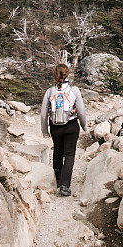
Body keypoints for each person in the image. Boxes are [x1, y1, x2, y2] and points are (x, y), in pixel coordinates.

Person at [40, 62, 87, 196]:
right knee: (69, 155)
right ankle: (65, 186)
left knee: (57, 152)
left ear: (55, 75)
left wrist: (45, 130)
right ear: (68, 75)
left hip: (55, 127)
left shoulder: (50, 91)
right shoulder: (74, 90)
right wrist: (84, 126)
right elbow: (81, 112)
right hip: (71, 126)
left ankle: (58, 181)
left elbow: (44, 113)